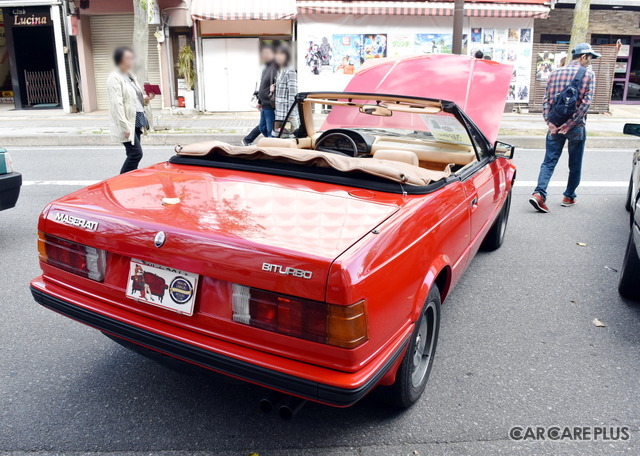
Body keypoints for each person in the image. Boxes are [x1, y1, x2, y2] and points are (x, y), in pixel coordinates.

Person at [529, 43, 598, 213]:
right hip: (576, 128)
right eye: (590, 57)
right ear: (582, 56)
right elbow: (585, 104)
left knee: (549, 162)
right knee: (575, 164)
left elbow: (546, 100)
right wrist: (570, 124)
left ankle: (539, 194)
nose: (590, 61)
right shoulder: (588, 74)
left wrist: (549, 123)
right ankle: (568, 196)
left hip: (554, 125)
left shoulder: (555, 72)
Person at [106, 46, 154, 174]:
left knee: (132, 154)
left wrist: (147, 98)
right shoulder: (114, 78)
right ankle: (122, 182)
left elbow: (134, 99)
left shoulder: (130, 76)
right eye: (127, 58)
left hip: (137, 118)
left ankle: (131, 179)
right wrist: (125, 127)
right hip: (127, 121)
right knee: (136, 154)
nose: (131, 60)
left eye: (132, 58)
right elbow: (117, 104)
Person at [243, 45, 276, 146]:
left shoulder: (275, 68)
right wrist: (259, 102)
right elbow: (262, 86)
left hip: (270, 104)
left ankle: (272, 147)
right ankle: (270, 143)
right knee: (262, 128)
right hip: (264, 103)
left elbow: (280, 82)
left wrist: (275, 85)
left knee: (270, 131)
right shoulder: (266, 68)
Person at [273, 44, 298, 136]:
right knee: (280, 138)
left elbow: (293, 95)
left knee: (288, 139)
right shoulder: (281, 71)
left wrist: (290, 115)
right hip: (280, 114)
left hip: (287, 116)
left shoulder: (290, 71)